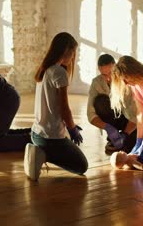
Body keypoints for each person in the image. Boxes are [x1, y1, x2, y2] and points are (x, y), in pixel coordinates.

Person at [24, 32, 88, 181]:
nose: (73, 57)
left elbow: (53, 107)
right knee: (81, 166)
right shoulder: (60, 72)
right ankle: (42, 155)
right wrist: (72, 130)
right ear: (67, 51)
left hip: (36, 133)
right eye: (73, 53)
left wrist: (70, 125)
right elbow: (64, 107)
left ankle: (39, 150)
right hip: (51, 138)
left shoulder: (45, 69)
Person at [110, 56, 143, 162]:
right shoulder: (134, 84)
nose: (125, 83)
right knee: (142, 155)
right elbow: (140, 114)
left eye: (126, 79)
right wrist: (138, 142)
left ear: (134, 72)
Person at [87, 54, 137, 154]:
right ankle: (113, 137)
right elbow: (90, 113)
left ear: (116, 68)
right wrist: (108, 128)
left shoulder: (126, 82)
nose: (108, 78)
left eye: (110, 73)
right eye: (104, 75)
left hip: (129, 121)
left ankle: (121, 138)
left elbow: (136, 115)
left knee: (128, 151)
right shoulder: (96, 82)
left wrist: (126, 134)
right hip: (111, 120)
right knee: (100, 101)